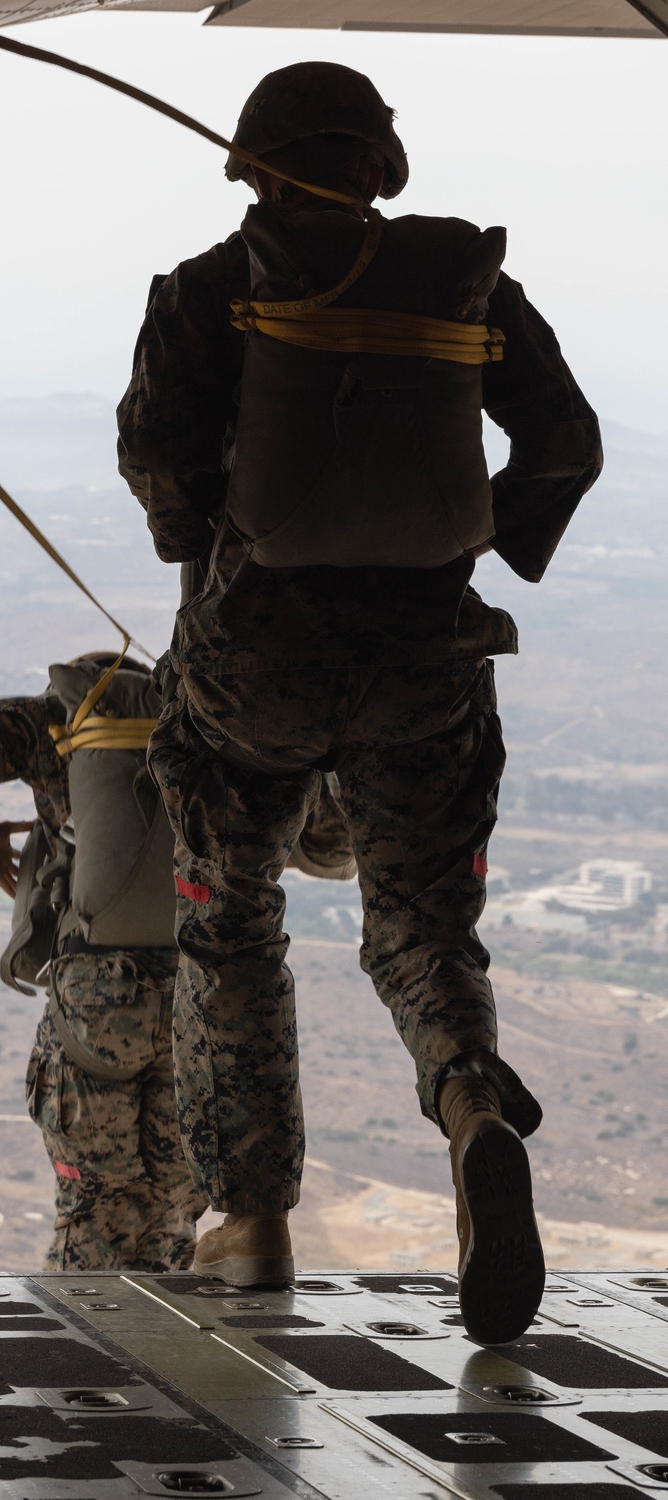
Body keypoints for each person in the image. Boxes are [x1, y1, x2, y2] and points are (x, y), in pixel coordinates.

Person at [117, 62, 602, 1341]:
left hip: (247, 674)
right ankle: (471, 1114)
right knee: (424, 930)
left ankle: (252, 1221)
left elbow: (160, 470)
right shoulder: (467, 284)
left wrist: (218, 547)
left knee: (232, 928)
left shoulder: (208, 291)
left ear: (253, 166)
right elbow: (567, 443)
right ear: (381, 165)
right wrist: (461, 548)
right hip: (425, 662)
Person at [0, 651, 354, 1271]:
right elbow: (337, 840)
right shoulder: (228, 728)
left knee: (94, 1207)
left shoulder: (62, 722)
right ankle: (163, 1355)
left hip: (100, 1002)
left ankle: (83, 1358)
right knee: (173, 1211)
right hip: (209, 989)